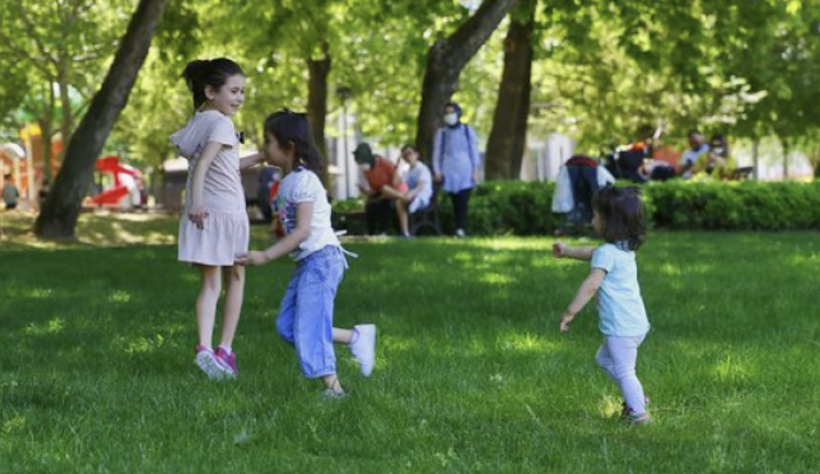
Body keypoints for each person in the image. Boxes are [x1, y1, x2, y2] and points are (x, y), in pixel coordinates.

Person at [236, 110, 376, 398]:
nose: (264, 147)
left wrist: (265, 256)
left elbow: (301, 232)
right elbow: (231, 167)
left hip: (322, 260)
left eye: (268, 141)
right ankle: (356, 337)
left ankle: (335, 390)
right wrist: (263, 156)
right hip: (308, 262)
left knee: (310, 327)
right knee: (287, 327)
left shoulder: (304, 181)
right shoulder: (286, 180)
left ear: (289, 147)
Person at [171, 58, 266, 380]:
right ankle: (225, 348)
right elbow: (203, 165)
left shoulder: (202, 120)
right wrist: (196, 201)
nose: (239, 98)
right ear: (211, 91)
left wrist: (262, 157)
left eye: (243, 92)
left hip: (207, 211)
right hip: (225, 211)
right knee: (236, 278)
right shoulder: (223, 124)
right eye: (234, 91)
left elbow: (225, 166)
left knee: (210, 283)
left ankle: (204, 348)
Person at [553, 186, 652, 425]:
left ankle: (639, 415)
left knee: (625, 371)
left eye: (596, 215)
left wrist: (570, 312)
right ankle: (636, 396)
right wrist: (566, 251)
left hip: (621, 328)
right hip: (635, 324)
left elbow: (591, 285)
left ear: (610, 222)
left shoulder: (608, 253)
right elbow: (591, 252)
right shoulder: (622, 249)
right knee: (604, 361)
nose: (592, 219)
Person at [432, 101, 480, 237]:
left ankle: (461, 228)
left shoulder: (467, 130)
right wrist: (437, 171)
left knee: (463, 200)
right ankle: (456, 227)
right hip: (449, 170)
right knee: (454, 200)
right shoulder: (441, 133)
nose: (449, 115)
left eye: (451, 112)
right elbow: (437, 154)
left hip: (466, 170)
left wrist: (475, 170)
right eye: (446, 113)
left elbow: (474, 151)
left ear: (458, 113)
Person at [354, 142, 401, 235]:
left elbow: (396, 178)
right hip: (379, 191)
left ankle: (383, 231)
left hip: (392, 191)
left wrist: (390, 190)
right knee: (370, 204)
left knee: (383, 204)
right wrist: (366, 192)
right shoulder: (367, 171)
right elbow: (374, 188)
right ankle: (371, 232)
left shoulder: (385, 163)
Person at [391, 144, 433, 238]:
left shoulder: (422, 168)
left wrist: (410, 194)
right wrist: (398, 164)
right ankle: (405, 233)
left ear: (416, 154)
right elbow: (395, 182)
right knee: (399, 201)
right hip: (409, 196)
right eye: (405, 155)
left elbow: (420, 186)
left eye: (410, 153)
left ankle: (414, 205)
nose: (408, 157)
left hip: (422, 196)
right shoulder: (405, 169)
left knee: (401, 201)